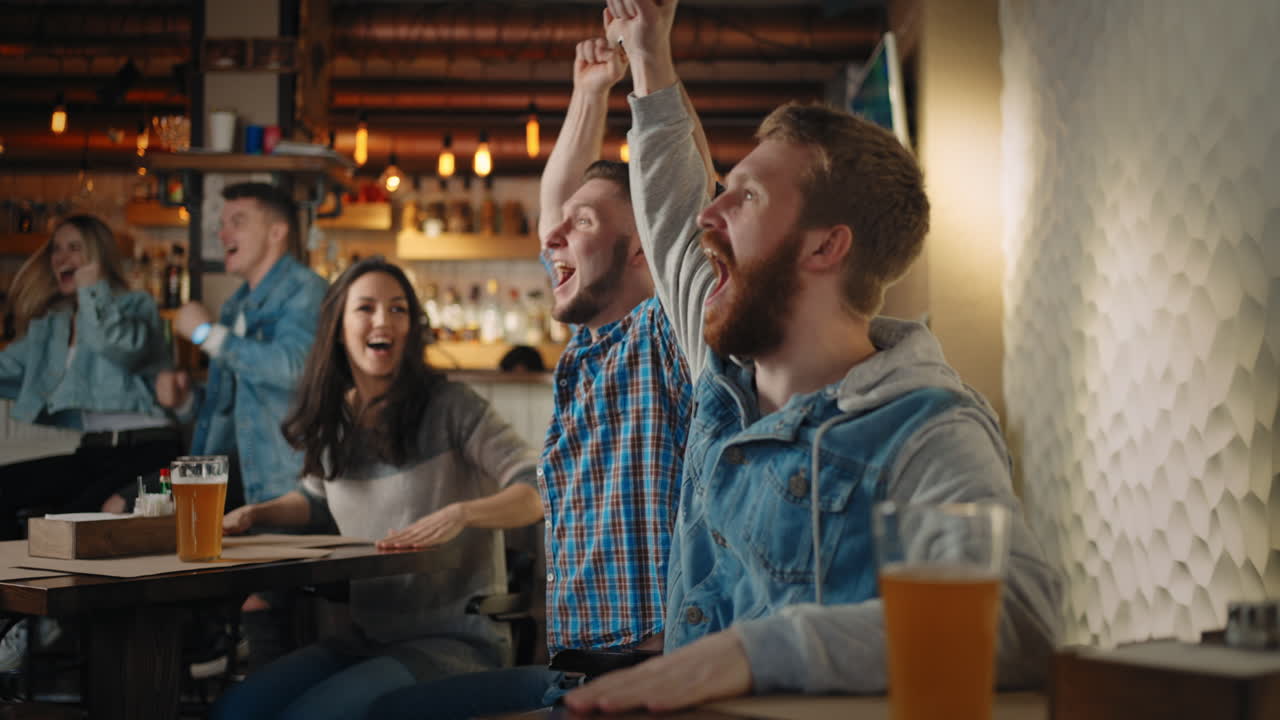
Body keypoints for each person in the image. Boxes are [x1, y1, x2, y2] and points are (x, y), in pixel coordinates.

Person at [564, 1, 1062, 713]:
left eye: (747, 196)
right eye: (723, 190)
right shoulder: (724, 375)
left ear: (826, 246)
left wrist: (752, 652)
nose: (712, 211)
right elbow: (674, 207)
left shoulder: (926, 428)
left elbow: (1017, 617)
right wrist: (648, 54)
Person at [366, 31, 696, 720]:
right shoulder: (590, 344)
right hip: (571, 676)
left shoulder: (665, 335)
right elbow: (553, 207)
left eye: (582, 223)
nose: (551, 237)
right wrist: (588, 90)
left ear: (644, 251)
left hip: (647, 683)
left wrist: (648, 57)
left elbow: (678, 205)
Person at [209, 257, 542, 720]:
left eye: (398, 308)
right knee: (235, 710)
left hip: (457, 639)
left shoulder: (452, 407)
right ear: (339, 328)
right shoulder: (336, 416)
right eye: (366, 308)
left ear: (412, 327)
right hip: (368, 637)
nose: (383, 319)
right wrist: (256, 514)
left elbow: (539, 487)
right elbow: (315, 499)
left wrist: (463, 513)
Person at [106, 181, 327, 510]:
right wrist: (185, 400)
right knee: (121, 504)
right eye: (222, 225)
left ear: (276, 232)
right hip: (223, 470)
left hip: (280, 483)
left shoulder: (306, 290)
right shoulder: (237, 305)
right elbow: (229, 407)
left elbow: (297, 370)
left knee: (123, 507)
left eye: (237, 222)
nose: (222, 235)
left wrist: (207, 335)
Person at [0, 214, 178, 539]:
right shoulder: (54, 323)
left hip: (147, 448)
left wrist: (92, 291)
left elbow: (118, 347)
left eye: (74, 248)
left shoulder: (136, 304)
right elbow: (5, 369)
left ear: (98, 256)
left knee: (67, 531)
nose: (61, 257)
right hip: (93, 450)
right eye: (56, 249)